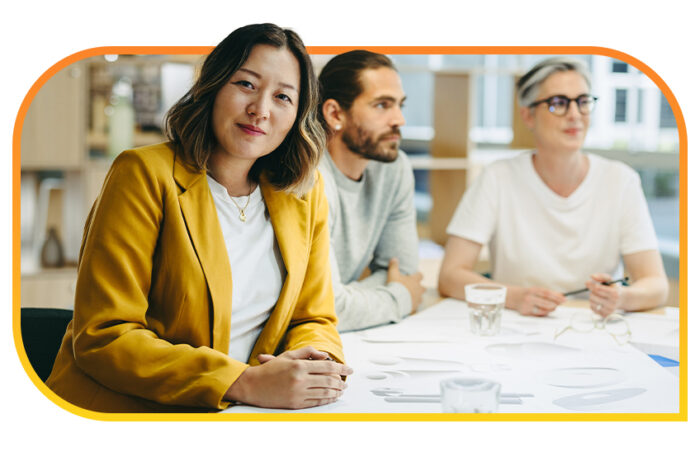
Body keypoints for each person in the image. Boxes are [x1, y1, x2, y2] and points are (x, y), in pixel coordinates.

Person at [46, 23, 352, 413]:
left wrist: (318, 365)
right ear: (213, 86)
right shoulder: (143, 173)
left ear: (297, 115)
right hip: (126, 414)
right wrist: (243, 381)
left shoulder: (304, 194)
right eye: (245, 84)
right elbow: (104, 336)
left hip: (240, 413)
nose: (260, 109)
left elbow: (314, 317)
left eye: (282, 96)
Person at [438, 57, 668, 318]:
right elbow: (450, 276)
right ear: (528, 115)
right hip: (518, 326)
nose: (574, 114)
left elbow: (656, 285)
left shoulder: (621, 180)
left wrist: (622, 298)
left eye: (583, 102)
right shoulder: (497, 177)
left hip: (595, 330)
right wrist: (514, 297)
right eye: (558, 103)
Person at [316, 50, 425, 332]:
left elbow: (405, 271)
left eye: (400, 105)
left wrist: (351, 299)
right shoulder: (310, 178)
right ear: (335, 113)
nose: (398, 119)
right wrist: (399, 297)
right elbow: (325, 308)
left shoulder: (394, 167)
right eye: (382, 105)